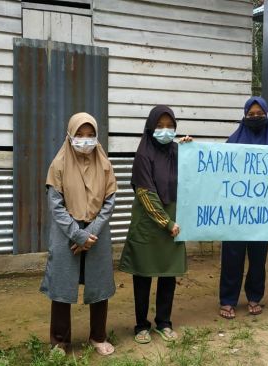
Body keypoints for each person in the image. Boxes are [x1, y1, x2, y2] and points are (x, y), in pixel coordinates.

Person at [40, 113, 118, 356]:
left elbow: (110, 201)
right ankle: (60, 342)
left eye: (90, 135)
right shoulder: (59, 164)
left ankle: (98, 336)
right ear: (70, 136)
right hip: (67, 233)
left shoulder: (105, 164)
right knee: (63, 287)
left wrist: (90, 233)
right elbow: (55, 204)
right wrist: (77, 235)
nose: (85, 140)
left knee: (99, 286)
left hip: (98, 233)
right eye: (79, 135)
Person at [119, 106, 191, 344]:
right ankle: (141, 326)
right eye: (159, 126)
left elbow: (195, 175)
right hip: (150, 225)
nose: (165, 130)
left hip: (173, 224)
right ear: (150, 128)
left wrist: (191, 148)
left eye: (170, 126)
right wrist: (166, 222)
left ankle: (164, 322)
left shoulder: (176, 151)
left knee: (168, 275)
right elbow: (145, 194)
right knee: (143, 276)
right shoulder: (143, 155)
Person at [218, 96, 268, 320]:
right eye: (251, 114)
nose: (255, 118)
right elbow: (218, 174)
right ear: (244, 116)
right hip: (235, 213)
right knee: (232, 257)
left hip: (261, 215)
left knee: (258, 259)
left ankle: (255, 297)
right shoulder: (232, 143)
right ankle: (228, 300)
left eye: (260, 114)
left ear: (267, 116)